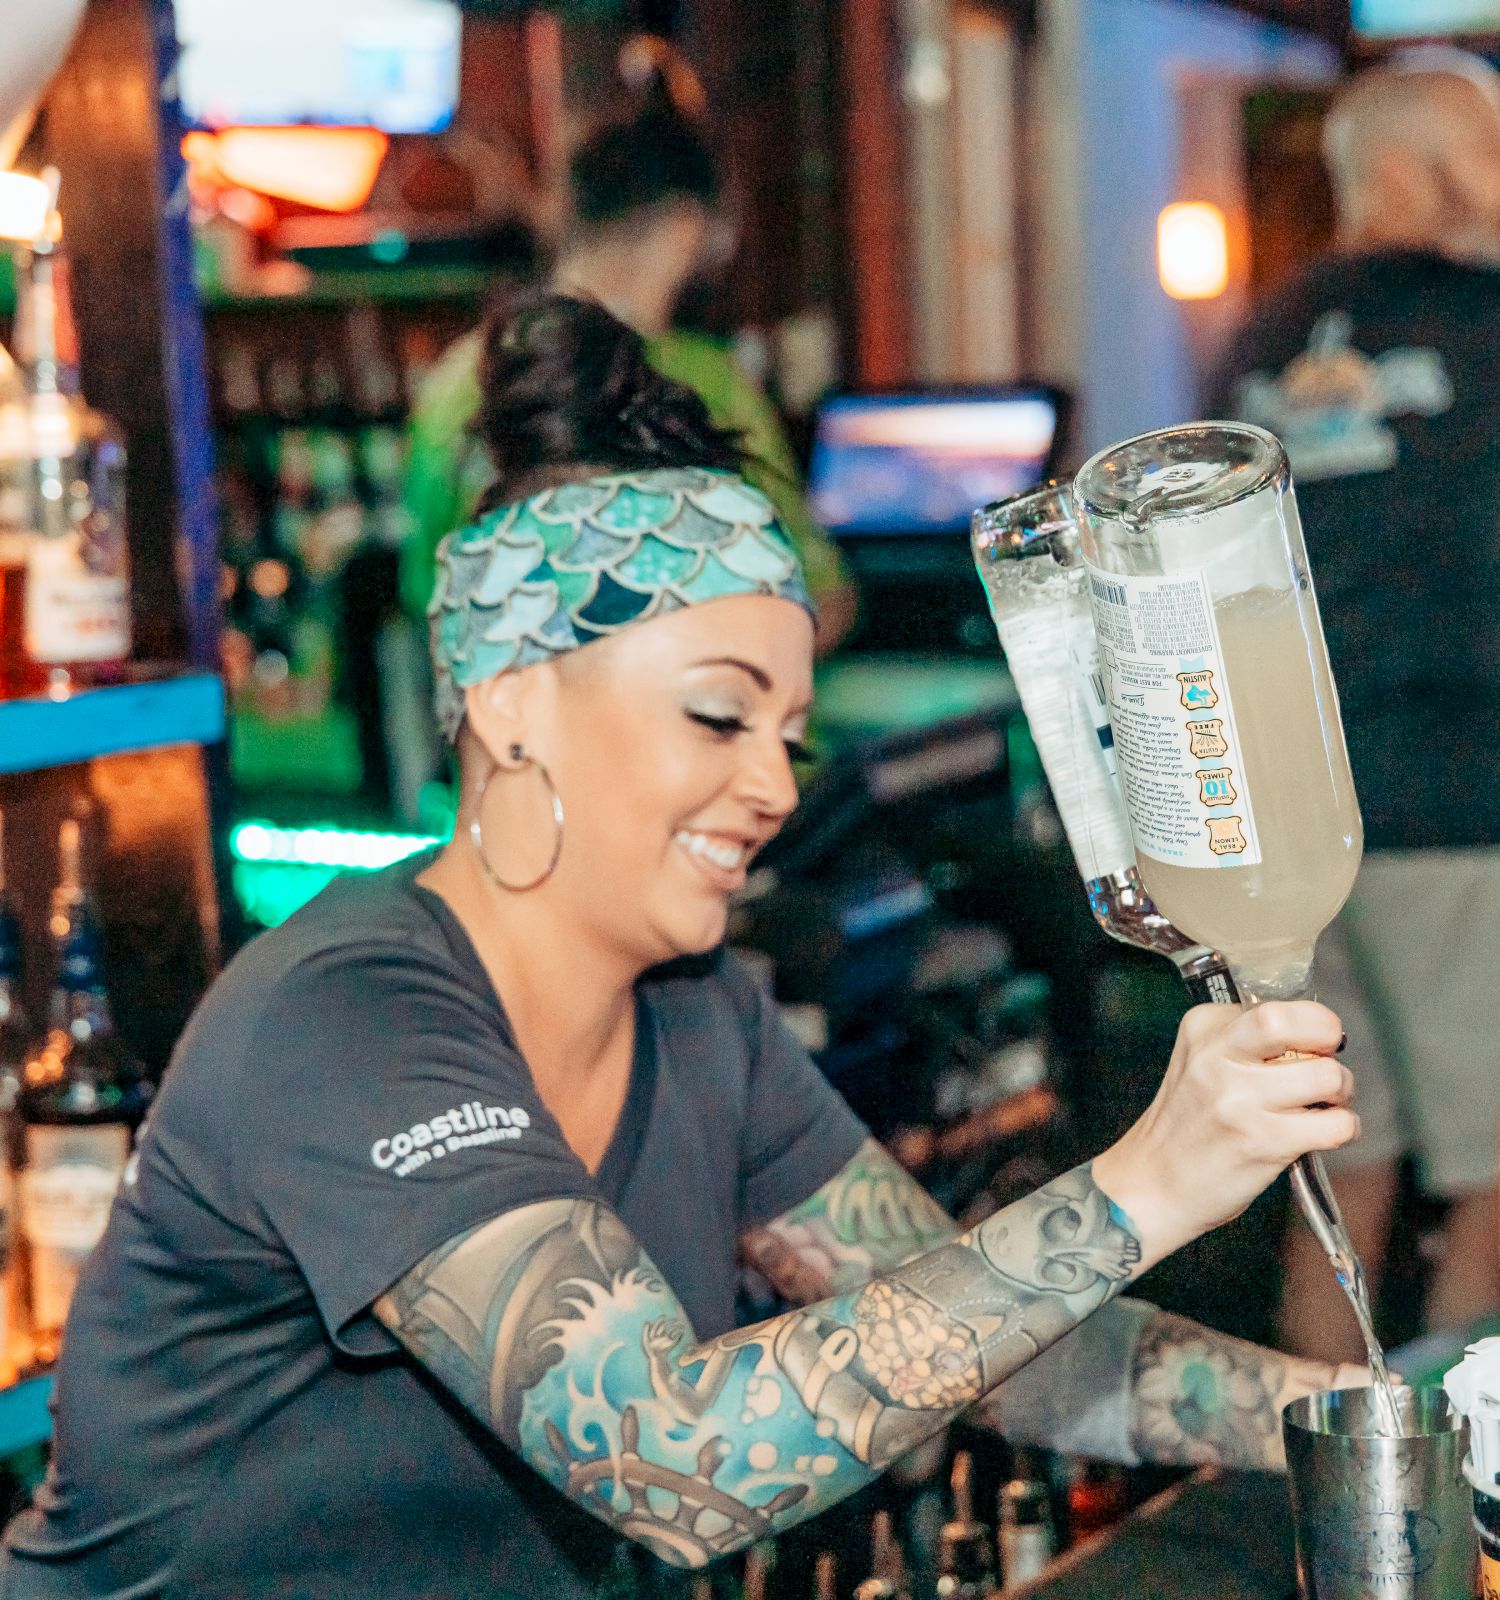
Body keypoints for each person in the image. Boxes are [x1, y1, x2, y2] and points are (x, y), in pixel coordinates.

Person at [6, 294, 1367, 1600]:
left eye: (791, 737)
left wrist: (1362, 1415)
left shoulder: (695, 1007)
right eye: (720, 719)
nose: (776, 787)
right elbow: (673, 1462)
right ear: (514, 705)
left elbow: (994, 1349)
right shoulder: (350, 1016)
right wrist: (1143, 1187)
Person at [1207, 47, 1500, 1359]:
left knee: (1337, 1182)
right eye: (1484, 155)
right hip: (1454, 805)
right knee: (1494, 1180)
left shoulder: (1258, 338)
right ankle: (1462, 1532)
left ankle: (1319, 1514)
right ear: (1405, 171)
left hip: (1287, 824)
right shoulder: (1489, 324)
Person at [402, 42, 857, 657]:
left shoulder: (455, 378)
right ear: (686, 228)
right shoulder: (699, 380)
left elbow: (429, 607)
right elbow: (812, 598)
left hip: (511, 739)